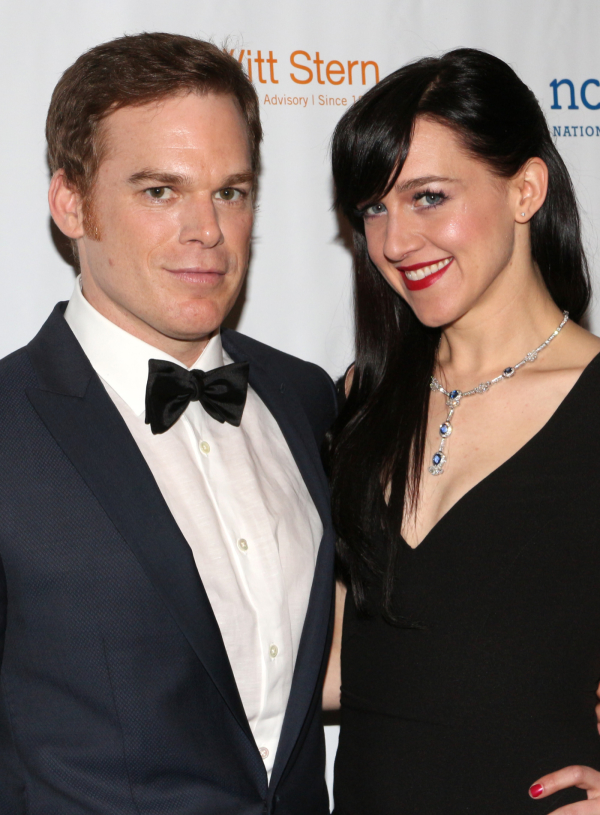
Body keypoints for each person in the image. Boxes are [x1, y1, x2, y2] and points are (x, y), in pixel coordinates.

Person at [0, 33, 337, 814]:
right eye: (160, 191)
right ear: (71, 203)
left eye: (231, 192)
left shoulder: (306, 397)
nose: (207, 230)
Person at [323, 47, 600, 814]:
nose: (395, 241)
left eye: (428, 196)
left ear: (526, 189)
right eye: (374, 208)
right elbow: (341, 660)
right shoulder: (360, 398)